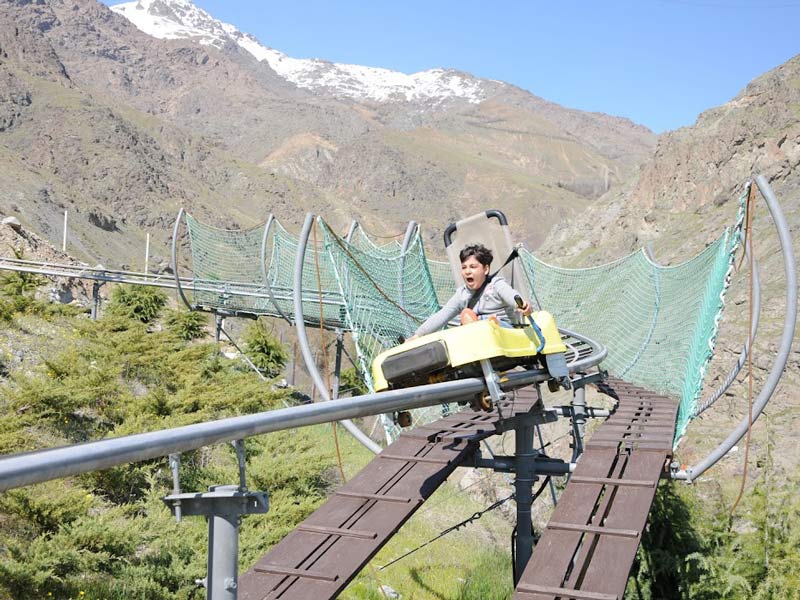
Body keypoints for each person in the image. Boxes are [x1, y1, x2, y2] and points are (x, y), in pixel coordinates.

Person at [408, 243, 532, 341]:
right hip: (478, 335)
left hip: (505, 331)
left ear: (486, 269)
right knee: (465, 320)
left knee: (472, 317)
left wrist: (522, 305)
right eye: (464, 267)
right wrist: (418, 335)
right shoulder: (462, 295)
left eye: (473, 267)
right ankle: (477, 327)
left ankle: (485, 326)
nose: (467, 272)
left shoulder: (496, 285)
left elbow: (511, 295)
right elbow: (442, 316)